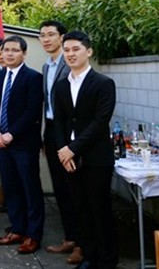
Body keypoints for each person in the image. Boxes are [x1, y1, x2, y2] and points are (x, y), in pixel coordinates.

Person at [54, 31, 118, 269]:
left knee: (99, 208)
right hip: (68, 157)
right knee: (80, 208)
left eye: (75, 49)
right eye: (67, 50)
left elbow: (100, 121)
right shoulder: (60, 86)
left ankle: (107, 260)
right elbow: (58, 121)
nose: (70, 54)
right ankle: (89, 256)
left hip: (95, 156)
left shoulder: (103, 83)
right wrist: (63, 149)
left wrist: (73, 148)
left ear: (88, 51)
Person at [0, 36, 44, 254]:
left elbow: (31, 112)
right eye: (6, 50)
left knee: (30, 189)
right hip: (1, 144)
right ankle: (17, 229)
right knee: (10, 188)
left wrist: (10, 134)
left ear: (24, 54)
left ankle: (33, 234)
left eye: (14, 50)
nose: (9, 54)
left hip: (23, 144)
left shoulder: (33, 78)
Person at [39, 20, 82, 264]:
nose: (46, 39)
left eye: (51, 35)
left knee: (74, 187)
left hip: (70, 132)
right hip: (52, 129)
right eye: (42, 35)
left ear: (62, 37)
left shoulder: (70, 63)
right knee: (60, 188)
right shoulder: (47, 66)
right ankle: (69, 236)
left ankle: (82, 243)